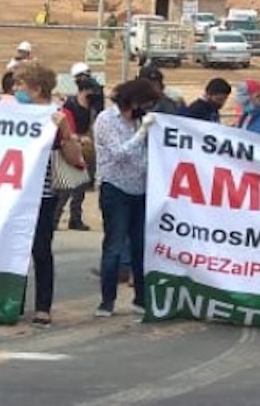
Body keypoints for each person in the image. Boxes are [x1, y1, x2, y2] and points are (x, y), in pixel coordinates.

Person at [13, 62, 80, 326]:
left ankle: (43, 306)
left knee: (41, 250)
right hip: (12, 193)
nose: (16, 89)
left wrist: (65, 131)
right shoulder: (12, 112)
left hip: (42, 195)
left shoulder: (58, 115)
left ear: (37, 89)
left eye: (20, 84)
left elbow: (75, 158)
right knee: (13, 249)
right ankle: (13, 301)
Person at [94, 78, 159, 317]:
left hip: (140, 189)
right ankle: (107, 301)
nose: (147, 108)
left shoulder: (140, 120)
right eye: (145, 103)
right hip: (116, 188)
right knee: (114, 245)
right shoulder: (106, 120)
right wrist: (142, 133)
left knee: (140, 246)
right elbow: (119, 153)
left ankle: (140, 298)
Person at [58, 73, 102, 231]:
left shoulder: (91, 108)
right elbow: (66, 129)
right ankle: (55, 217)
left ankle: (75, 218)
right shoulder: (70, 106)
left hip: (86, 150)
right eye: (92, 91)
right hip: (71, 148)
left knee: (81, 186)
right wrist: (78, 138)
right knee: (66, 185)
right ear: (84, 91)